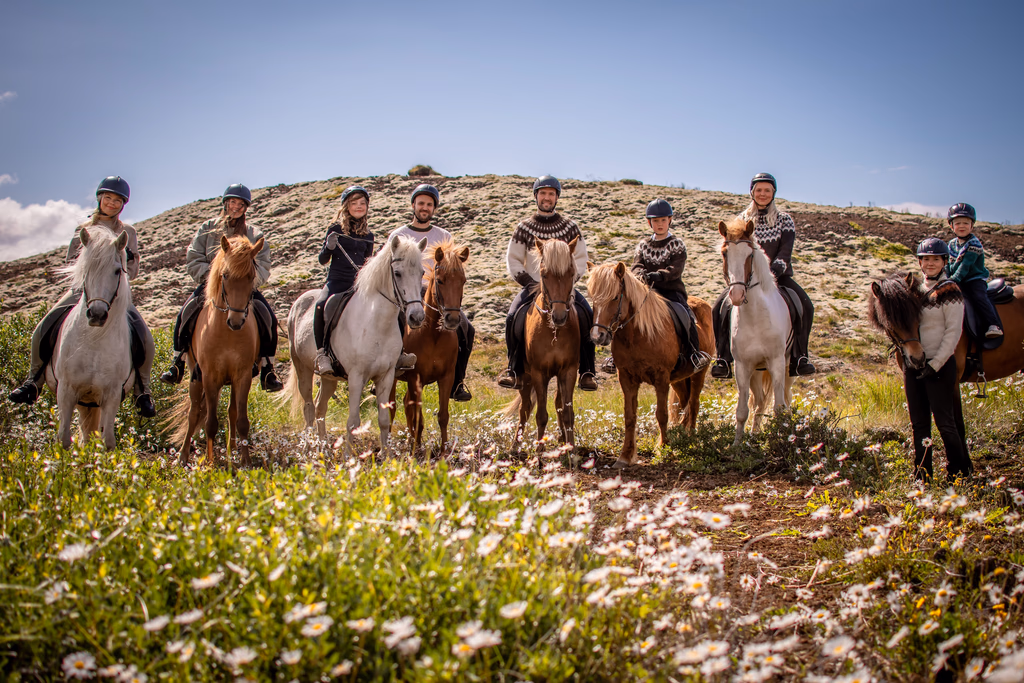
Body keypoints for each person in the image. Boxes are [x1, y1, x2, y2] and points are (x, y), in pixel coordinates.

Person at [8, 176, 156, 417]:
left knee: (145, 337)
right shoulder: (83, 230)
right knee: (44, 326)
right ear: (99, 198)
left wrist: (125, 259)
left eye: (117, 200)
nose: (111, 203)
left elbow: (134, 271)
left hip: (114, 294)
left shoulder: (128, 232)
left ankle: (142, 390)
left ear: (123, 204)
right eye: (108, 197)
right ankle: (33, 381)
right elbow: (70, 262)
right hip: (82, 291)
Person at [159, 184, 283, 391]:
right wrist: (213, 280)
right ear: (225, 203)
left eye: (241, 204)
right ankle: (177, 362)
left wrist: (247, 283)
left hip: (243, 289)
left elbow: (263, 266)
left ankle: (267, 368)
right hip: (211, 287)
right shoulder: (207, 229)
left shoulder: (254, 234)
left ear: (246, 208)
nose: (236, 207)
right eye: (233, 202)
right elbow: (194, 257)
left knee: (267, 316)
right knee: (186, 312)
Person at [710, 172, 816, 379]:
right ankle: (722, 358)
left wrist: (772, 272)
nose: (763, 194)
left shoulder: (785, 220)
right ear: (752, 192)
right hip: (745, 279)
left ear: (773, 192)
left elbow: (785, 251)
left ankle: (800, 356)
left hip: (779, 276)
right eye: (759, 190)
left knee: (805, 305)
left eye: (767, 190)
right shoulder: (741, 220)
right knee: (717, 308)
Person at [498, 175, 598, 391]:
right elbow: (513, 259)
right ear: (536, 196)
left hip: (562, 288)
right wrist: (528, 281)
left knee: (587, 314)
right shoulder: (524, 227)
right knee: (512, 317)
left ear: (557, 198)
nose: (547, 197)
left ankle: (588, 371)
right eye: (543, 193)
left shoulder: (570, 227)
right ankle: (513, 369)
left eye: (551, 194)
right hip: (533, 286)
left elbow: (581, 259)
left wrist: (569, 282)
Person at [312, 186, 416, 376]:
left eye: (363, 203)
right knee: (321, 305)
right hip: (337, 282)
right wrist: (328, 247)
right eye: (354, 203)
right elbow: (322, 260)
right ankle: (323, 354)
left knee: (396, 307)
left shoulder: (368, 235)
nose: (359, 207)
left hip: (360, 285)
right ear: (346, 206)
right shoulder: (334, 229)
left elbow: (368, 262)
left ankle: (398, 353)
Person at [388, 184, 474, 401]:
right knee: (391, 322)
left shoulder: (443, 235)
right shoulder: (399, 234)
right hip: (406, 293)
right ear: (413, 205)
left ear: (434, 208)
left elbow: (452, 266)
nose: (424, 208)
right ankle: (387, 369)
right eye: (421, 203)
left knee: (467, 328)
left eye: (429, 204)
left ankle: (457, 382)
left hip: (438, 293)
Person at [906, 237, 972, 481]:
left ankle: (960, 473)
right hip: (914, 367)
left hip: (940, 366)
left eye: (936, 259)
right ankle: (922, 475)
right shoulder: (912, 291)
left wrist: (935, 365)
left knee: (946, 423)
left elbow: (953, 332)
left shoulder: (950, 290)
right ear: (920, 262)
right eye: (926, 259)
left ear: (945, 261)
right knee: (919, 425)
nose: (930, 263)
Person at [625, 198, 709, 370]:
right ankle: (617, 356)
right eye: (656, 221)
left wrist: (658, 275)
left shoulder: (677, 244)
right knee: (625, 312)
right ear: (650, 222)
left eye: (663, 220)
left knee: (686, 316)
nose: (660, 224)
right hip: (647, 292)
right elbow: (636, 264)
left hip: (671, 292)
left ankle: (694, 353)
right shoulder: (643, 245)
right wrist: (640, 274)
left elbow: (676, 269)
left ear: (670, 220)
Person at [945, 203, 1002, 338]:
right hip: (956, 279)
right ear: (951, 226)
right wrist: (945, 279)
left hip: (973, 279)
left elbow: (966, 266)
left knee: (978, 296)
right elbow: (947, 264)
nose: (962, 226)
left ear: (972, 225)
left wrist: (952, 281)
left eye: (966, 223)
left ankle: (993, 324)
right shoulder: (951, 244)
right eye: (958, 223)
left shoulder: (974, 244)